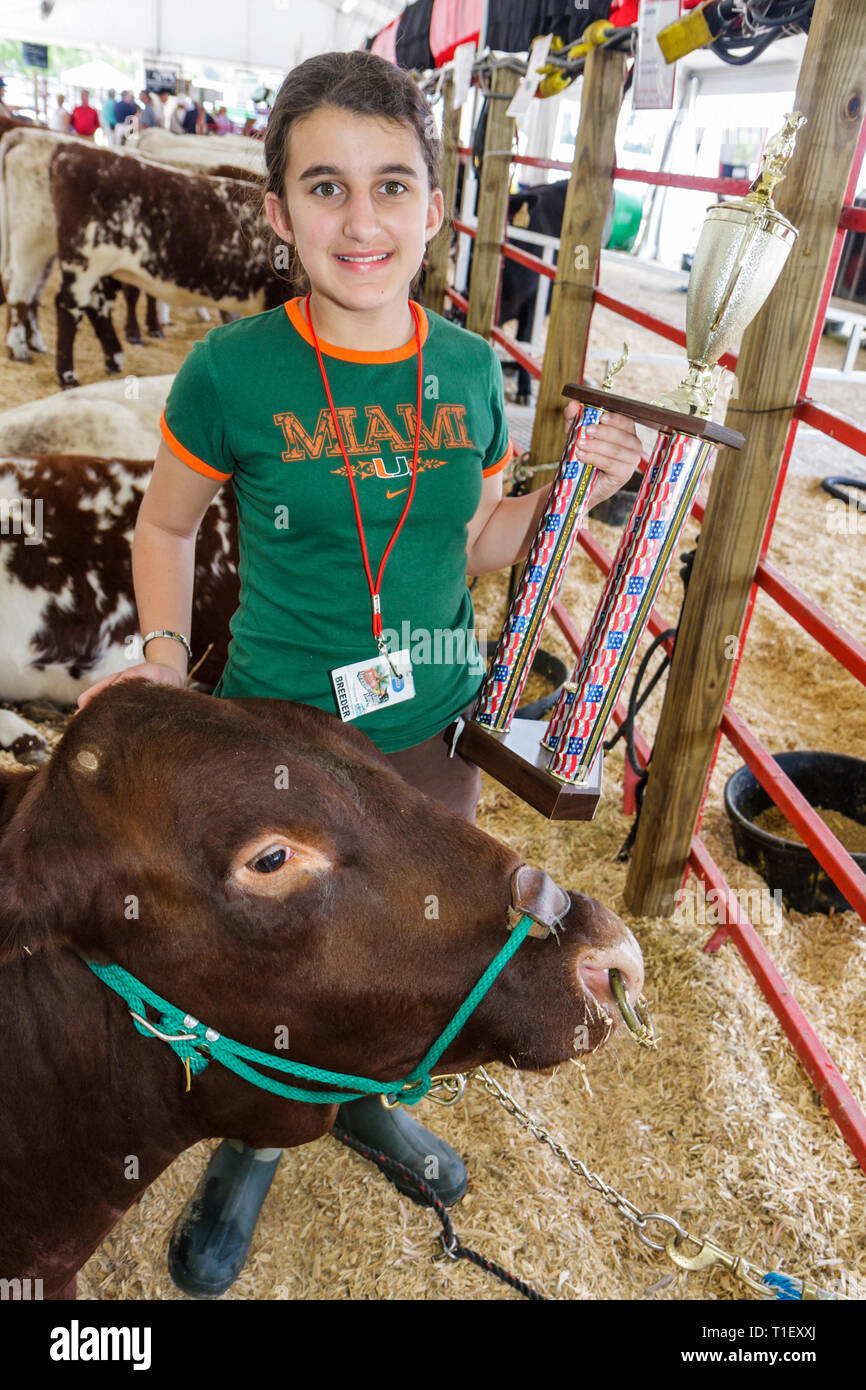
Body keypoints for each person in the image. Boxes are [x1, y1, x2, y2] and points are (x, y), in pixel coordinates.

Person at [76, 49, 641, 1298]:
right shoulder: (233, 373)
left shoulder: (470, 372)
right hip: (279, 733)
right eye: (324, 188)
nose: (362, 219)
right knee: (266, 962)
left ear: (434, 206)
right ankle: (251, 1148)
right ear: (277, 211)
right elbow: (162, 528)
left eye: (391, 185)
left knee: (423, 945)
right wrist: (164, 667)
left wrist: (566, 492)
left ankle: (380, 1102)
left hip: (435, 724)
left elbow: (478, 541)